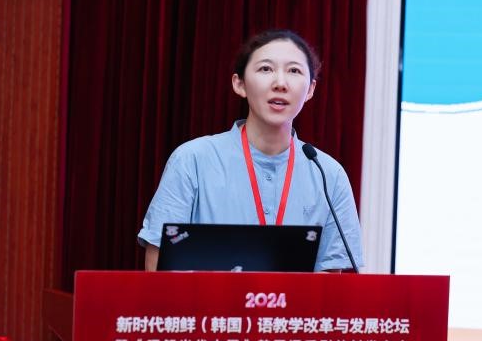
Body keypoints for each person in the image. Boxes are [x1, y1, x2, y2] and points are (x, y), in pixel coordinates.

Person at [138, 29, 364, 272]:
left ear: (310, 89)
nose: (280, 83)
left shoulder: (329, 174)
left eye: (294, 71)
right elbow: (157, 265)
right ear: (239, 84)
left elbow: (331, 278)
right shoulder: (192, 160)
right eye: (266, 69)